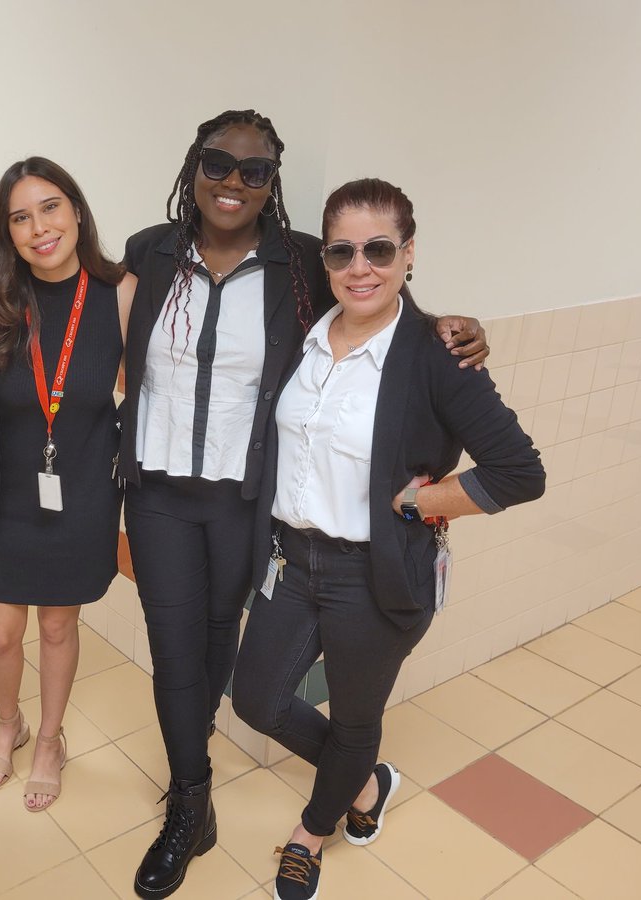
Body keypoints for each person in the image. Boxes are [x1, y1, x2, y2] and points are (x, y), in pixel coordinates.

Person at [118, 111, 490, 899]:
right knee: (171, 650)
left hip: (244, 503)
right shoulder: (149, 252)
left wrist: (458, 330)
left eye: (255, 171)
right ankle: (190, 804)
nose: (233, 182)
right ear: (192, 166)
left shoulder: (298, 265)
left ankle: (317, 782)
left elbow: (376, 298)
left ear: (273, 182)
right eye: (218, 163)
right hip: (155, 495)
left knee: (220, 656)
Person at [232, 177, 545, 900]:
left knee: (355, 716)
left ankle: (315, 830)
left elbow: (519, 472)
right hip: (291, 559)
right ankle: (364, 781)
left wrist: (424, 500)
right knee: (256, 700)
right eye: (342, 251)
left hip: (375, 577)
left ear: (409, 254)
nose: (359, 266)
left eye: (379, 248)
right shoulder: (307, 338)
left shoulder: (436, 355)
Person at [0, 157, 135, 812]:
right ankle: (11, 723)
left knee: (58, 629)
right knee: (3, 632)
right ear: (7, 232)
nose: (40, 227)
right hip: (6, 493)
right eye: (21, 217)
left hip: (83, 489)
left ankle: (49, 741)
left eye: (51, 207)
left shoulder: (120, 292)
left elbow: (151, 386)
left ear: (78, 211)